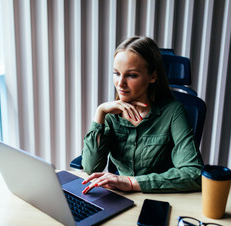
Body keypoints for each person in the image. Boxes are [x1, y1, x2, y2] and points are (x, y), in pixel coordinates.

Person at [81, 36, 203, 194]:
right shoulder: (110, 114)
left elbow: (193, 173)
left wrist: (131, 182)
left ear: (152, 76)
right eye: (116, 73)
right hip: (121, 197)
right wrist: (100, 112)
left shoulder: (173, 112)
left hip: (160, 197)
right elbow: (91, 168)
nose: (120, 83)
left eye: (131, 75)